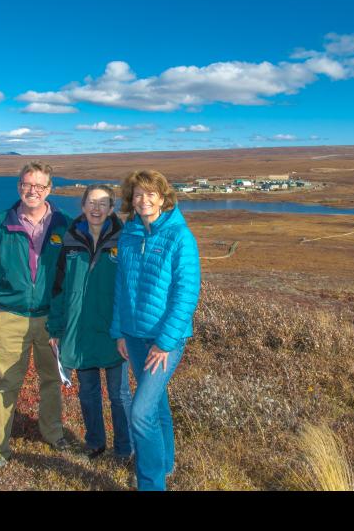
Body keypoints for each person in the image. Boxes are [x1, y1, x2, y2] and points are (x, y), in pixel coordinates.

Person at [0, 162, 71, 474]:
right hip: (10, 317)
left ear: (50, 189)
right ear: (19, 186)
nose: (33, 191)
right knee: (5, 384)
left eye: (39, 186)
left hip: (50, 319)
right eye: (27, 185)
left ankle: (53, 433)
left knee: (51, 380)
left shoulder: (64, 226)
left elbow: (74, 273)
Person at [110, 169, 201, 491]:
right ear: (130, 200)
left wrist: (164, 342)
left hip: (165, 339)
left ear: (163, 198)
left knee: (141, 411)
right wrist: (119, 331)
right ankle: (166, 464)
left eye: (150, 194)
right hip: (133, 336)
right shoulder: (130, 234)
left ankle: (150, 484)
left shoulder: (179, 236)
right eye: (137, 194)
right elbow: (121, 286)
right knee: (156, 403)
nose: (143, 200)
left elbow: (186, 293)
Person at [46, 184, 133, 462]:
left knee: (119, 395)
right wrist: (56, 328)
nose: (96, 209)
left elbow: (131, 289)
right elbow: (58, 289)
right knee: (88, 393)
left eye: (103, 203)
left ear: (111, 209)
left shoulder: (124, 239)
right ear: (82, 206)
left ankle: (125, 448)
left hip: (114, 331)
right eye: (91, 203)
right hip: (79, 330)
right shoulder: (69, 239)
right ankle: (95, 443)